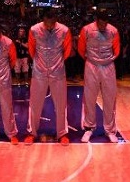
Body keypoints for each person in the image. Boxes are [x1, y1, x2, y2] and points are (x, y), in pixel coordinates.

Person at [24, 9, 72, 146]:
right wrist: (40, 65)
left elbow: (67, 51)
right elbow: (32, 50)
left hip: (58, 72)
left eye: (52, 23)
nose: (49, 25)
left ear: (56, 20)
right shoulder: (34, 29)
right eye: (47, 23)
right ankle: (31, 133)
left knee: (61, 104)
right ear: (43, 20)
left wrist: (58, 64)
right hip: (39, 72)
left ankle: (62, 133)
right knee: (34, 104)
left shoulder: (64, 30)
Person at [78, 9, 121, 143]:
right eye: (101, 24)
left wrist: (108, 60)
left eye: (105, 23)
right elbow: (81, 48)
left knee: (110, 99)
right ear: (97, 21)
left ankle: (110, 130)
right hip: (91, 65)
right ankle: (88, 128)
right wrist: (91, 60)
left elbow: (117, 49)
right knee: (89, 98)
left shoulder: (113, 30)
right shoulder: (86, 29)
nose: (103, 26)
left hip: (108, 66)